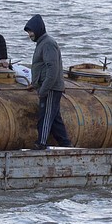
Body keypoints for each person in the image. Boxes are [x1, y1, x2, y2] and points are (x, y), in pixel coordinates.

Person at [24, 14, 72, 149]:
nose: (29, 35)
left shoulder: (48, 43)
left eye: (31, 31)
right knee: (55, 119)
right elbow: (41, 68)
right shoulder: (41, 43)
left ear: (38, 29)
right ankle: (66, 144)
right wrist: (34, 84)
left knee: (45, 117)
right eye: (28, 32)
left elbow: (52, 68)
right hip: (47, 86)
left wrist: (44, 89)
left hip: (51, 88)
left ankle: (41, 143)